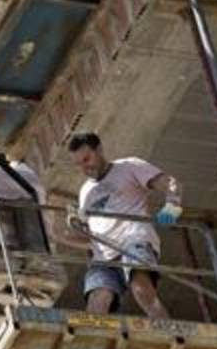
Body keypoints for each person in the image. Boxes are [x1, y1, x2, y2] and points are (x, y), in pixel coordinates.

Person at [64, 132, 182, 320]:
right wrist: (57, 234)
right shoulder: (85, 192)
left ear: (100, 150)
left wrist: (172, 207)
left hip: (133, 237)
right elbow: (89, 238)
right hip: (103, 254)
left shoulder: (128, 166)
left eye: (87, 159)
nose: (85, 167)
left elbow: (170, 184)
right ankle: (94, 342)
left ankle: (168, 331)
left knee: (140, 286)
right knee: (97, 300)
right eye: (78, 164)